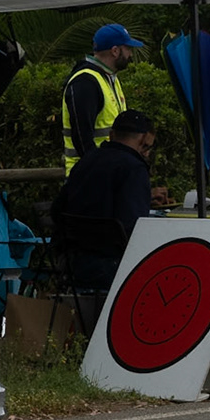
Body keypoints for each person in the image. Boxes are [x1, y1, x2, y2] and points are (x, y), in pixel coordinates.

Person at [51, 109, 165, 292]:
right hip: (112, 268)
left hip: (71, 263)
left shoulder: (86, 161)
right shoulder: (134, 168)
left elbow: (58, 209)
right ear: (143, 140)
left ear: (112, 135)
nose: (147, 153)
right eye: (148, 147)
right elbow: (132, 227)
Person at [62, 24, 146, 174]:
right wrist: (100, 173)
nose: (130, 54)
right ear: (115, 51)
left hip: (108, 172)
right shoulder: (85, 82)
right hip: (89, 177)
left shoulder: (108, 78)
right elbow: (83, 138)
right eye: (127, 49)